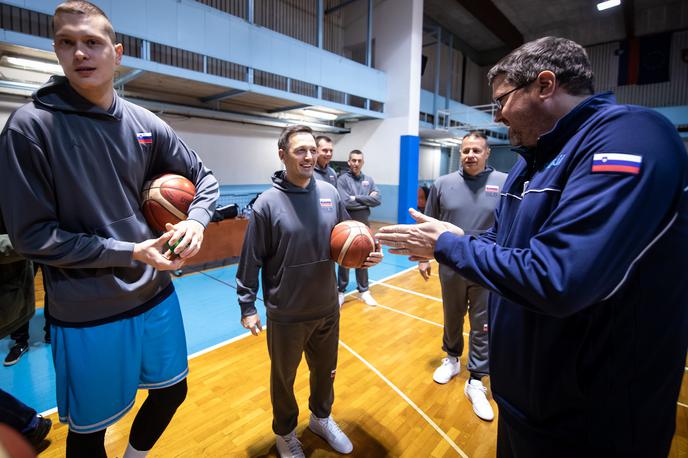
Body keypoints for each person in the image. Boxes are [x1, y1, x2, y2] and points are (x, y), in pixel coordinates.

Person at [377, 36, 688, 457]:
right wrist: (447, 244)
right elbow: (503, 243)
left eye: (502, 100)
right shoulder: (530, 162)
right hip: (529, 403)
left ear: (544, 85)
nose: (499, 117)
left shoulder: (631, 136)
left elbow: (558, 278)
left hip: (595, 421)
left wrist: (450, 245)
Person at [0, 2, 219, 457]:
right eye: (67, 42)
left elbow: (205, 180)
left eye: (92, 42)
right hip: (86, 311)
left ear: (116, 53)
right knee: (89, 433)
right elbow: (32, 237)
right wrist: (131, 251)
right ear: (56, 50)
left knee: (170, 393)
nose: (80, 53)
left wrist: (197, 221)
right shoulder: (30, 128)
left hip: (155, 296)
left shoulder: (145, 123)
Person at [236, 125, 382, 458]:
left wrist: (369, 252)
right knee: (283, 380)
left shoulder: (331, 192)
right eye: (300, 150)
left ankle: (321, 418)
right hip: (286, 313)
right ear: (282, 154)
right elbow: (250, 260)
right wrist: (247, 306)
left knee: (325, 372)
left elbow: (351, 235)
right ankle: (285, 433)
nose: (308, 156)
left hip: (327, 309)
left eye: (312, 150)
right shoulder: (267, 203)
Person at [420, 131, 506, 422]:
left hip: (486, 265)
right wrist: (422, 258)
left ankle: (477, 379)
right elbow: (427, 224)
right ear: (460, 153)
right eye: (465, 150)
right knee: (452, 315)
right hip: (451, 265)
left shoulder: (504, 182)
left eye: (476, 150)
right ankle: (453, 358)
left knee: (482, 323)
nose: (470, 155)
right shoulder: (443, 184)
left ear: (487, 153)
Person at [0, 234, 52, 451]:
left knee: (53, 286)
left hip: (37, 245)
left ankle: (28, 423)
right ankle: (20, 342)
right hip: (27, 249)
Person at [336, 150, 381, 306]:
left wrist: (357, 198)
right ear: (349, 162)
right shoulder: (342, 180)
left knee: (364, 258)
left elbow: (377, 200)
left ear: (363, 162)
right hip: (346, 226)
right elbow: (345, 202)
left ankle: (364, 291)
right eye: (353, 160)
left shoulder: (368, 179)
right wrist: (367, 199)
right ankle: (340, 291)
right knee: (344, 259)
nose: (356, 163)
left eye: (359, 160)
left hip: (364, 226)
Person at [4, 263, 51, 367]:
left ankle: (51, 333)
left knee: (53, 287)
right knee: (21, 288)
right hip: (23, 251)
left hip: (49, 247)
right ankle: (20, 342)